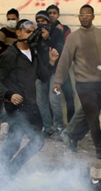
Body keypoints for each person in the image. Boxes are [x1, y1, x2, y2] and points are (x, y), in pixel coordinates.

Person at [0, 19, 58, 178]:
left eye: (33, 32)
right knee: (14, 144)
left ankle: (8, 172)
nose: (31, 35)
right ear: (18, 32)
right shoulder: (10, 54)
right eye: (27, 31)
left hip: (31, 106)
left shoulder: (34, 53)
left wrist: (51, 62)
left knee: (37, 142)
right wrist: (9, 94)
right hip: (17, 108)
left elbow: (43, 77)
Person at [53, 5, 101, 160]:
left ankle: (71, 136)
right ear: (79, 17)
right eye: (82, 14)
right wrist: (58, 81)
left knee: (88, 114)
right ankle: (100, 149)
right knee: (92, 116)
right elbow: (65, 61)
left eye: (88, 14)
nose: (85, 17)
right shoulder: (73, 37)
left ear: (93, 17)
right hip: (84, 84)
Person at [33, 10, 65, 138]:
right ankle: (47, 128)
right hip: (41, 73)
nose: (41, 25)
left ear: (48, 22)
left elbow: (59, 50)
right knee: (41, 101)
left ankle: (58, 128)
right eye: (38, 22)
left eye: (43, 21)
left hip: (56, 73)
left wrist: (47, 39)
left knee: (55, 100)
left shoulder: (57, 32)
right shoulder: (36, 34)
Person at [47, 4, 76, 123]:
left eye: (54, 13)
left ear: (58, 14)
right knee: (53, 98)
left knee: (69, 97)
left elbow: (68, 47)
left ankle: (71, 124)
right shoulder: (45, 29)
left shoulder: (65, 29)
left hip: (63, 70)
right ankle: (55, 125)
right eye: (50, 13)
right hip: (51, 71)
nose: (52, 15)